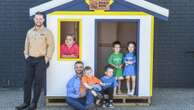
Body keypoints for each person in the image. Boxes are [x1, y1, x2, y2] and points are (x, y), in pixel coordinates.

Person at [16, 12, 55, 110]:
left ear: (43, 20)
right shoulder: (30, 31)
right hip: (30, 60)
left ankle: (34, 104)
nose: (38, 20)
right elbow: (26, 44)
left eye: (40, 19)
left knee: (38, 82)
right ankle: (26, 102)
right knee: (27, 82)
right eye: (36, 19)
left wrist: (47, 58)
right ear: (34, 20)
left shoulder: (47, 32)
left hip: (41, 60)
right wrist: (26, 55)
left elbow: (51, 46)